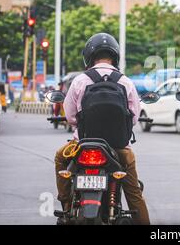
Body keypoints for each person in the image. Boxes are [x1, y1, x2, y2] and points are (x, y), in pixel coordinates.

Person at [54, 33, 150, 225]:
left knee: (59, 157)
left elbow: (71, 116)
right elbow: (133, 118)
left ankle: (65, 206)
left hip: (81, 145)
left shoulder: (80, 81)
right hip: (118, 149)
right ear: (115, 56)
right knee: (133, 193)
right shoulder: (125, 82)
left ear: (89, 56)